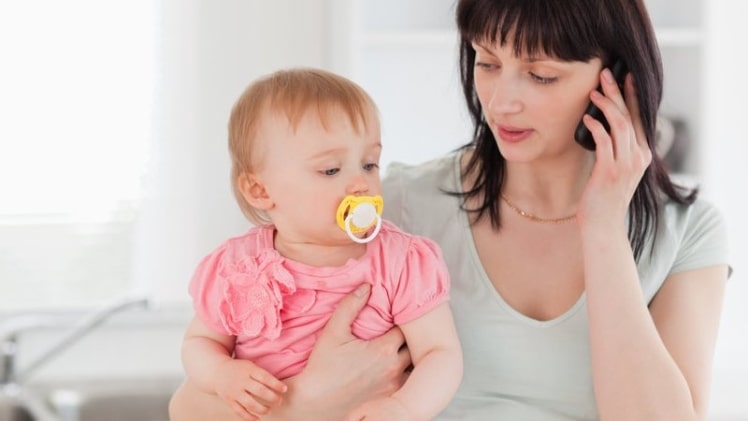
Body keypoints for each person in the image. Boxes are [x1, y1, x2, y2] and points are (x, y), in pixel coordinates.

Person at [170, 0, 731, 420]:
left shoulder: (688, 232)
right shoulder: (394, 209)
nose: (501, 101)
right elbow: (188, 409)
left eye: (541, 75)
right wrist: (307, 402)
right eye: (487, 63)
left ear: (618, 81)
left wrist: (604, 228)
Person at [173, 67, 462, 421]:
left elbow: (441, 353)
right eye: (330, 170)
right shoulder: (237, 265)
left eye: (369, 164)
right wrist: (221, 374)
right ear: (260, 190)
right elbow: (200, 343)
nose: (360, 184)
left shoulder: (400, 260)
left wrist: (403, 408)